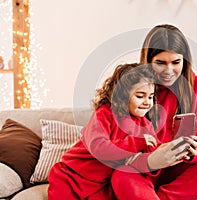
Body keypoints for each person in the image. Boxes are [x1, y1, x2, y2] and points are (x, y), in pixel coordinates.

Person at [109, 24, 197, 200]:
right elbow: (118, 137)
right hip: (148, 167)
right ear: (147, 61)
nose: (169, 70)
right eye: (160, 63)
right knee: (122, 175)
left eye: (175, 62)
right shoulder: (133, 87)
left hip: (182, 167)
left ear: (184, 61)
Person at [48, 63, 173, 199]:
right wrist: (138, 142)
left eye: (150, 97)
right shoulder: (104, 114)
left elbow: (148, 160)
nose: (147, 102)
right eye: (140, 96)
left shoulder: (146, 125)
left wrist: (168, 152)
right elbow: (99, 148)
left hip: (101, 183)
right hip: (70, 176)